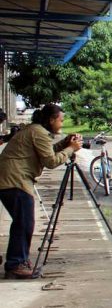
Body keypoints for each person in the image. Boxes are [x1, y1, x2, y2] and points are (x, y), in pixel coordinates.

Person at [0, 104, 82, 279]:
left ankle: (19, 261)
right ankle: (15, 265)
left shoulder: (36, 130)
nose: (62, 123)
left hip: (13, 179)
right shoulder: (38, 132)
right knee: (24, 223)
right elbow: (51, 162)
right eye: (60, 120)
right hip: (15, 180)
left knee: (23, 222)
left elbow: (46, 152)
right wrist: (71, 149)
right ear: (51, 120)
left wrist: (65, 143)